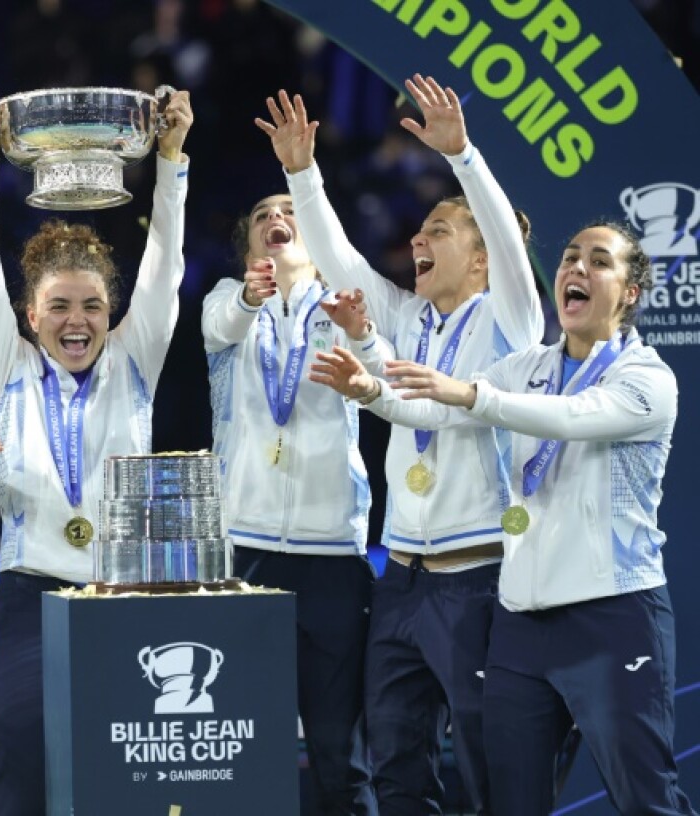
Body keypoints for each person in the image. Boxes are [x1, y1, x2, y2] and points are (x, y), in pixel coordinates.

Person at [310, 220, 695, 815]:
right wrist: (369, 392)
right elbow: (437, 414)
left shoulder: (647, 379)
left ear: (631, 292)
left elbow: (568, 418)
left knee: (646, 800)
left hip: (614, 614)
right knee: (511, 804)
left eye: (599, 261)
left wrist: (471, 395)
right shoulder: (527, 367)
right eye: (570, 257)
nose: (576, 269)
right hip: (520, 622)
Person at [257, 74, 543, 814]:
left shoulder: (512, 317)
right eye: (420, 232)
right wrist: (301, 174)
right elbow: (339, 257)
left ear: (481, 259)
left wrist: (464, 158)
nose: (418, 239)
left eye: (439, 233)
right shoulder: (408, 317)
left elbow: (509, 243)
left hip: (476, 576)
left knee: (485, 762)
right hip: (402, 580)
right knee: (393, 759)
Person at [0, 88, 193, 815]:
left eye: (92, 305)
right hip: (28, 595)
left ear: (113, 313)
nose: (77, 320)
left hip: (123, 595)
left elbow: (165, 265)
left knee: (122, 782)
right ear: (30, 315)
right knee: (22, 778)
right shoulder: (8, 365)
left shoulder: (134, 360)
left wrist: (172, 160)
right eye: (58, 306)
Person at [201, 193, 390, 813]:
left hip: (333, 554)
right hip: (247, 555)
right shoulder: (227, 302)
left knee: (342, 755)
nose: (277, 219)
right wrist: (251, 297)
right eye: (260, 216)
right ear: (249, 246)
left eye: (290, 210)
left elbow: (385, 383)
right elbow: (219, 326)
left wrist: (360, 332)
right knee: (245, 750)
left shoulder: (347, 303)